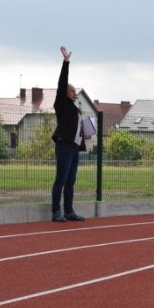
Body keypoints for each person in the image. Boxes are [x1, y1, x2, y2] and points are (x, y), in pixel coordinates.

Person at [51, 45, 86, 223]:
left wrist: (85, 134)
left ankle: (69, 211)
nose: (75, 94)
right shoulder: (61, 104)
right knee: (61, 179)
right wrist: (66, 62)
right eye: (72, 91)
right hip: (64, 145)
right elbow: (62, 83)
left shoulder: (75, 109)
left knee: (71, 180)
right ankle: (56, 211)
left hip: (74, 147)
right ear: (65, 92)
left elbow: (77, 127)